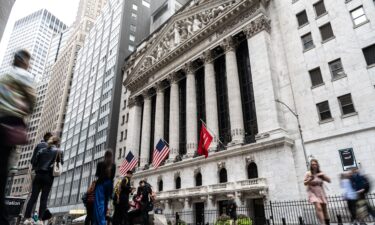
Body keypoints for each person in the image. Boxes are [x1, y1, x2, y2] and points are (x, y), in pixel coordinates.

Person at [0, 49, 36, 225]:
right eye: (29, 61)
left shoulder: (4, 75)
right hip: (11, 123)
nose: (30, 64)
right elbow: (32, 100)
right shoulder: (24, 75)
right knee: (3, 171)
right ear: (23, 61)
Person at [23, 136, 62, 225]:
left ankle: (27, 218)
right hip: (48, 177)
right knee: (44, 199)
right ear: (57, 143)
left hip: (39, 175)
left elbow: (34, 162)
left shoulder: (41, 151)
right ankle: (40, 220)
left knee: (33, 197)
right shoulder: (58, 152)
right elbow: (60, 164)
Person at [304, 159, 331, 225]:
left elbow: (329, 180)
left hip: (321, 192)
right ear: (311, 165)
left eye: (315, 164)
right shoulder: (308, 173)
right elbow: (305, 183)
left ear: (317, 165)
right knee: (318, 208)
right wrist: (310, 179)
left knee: (324, 210)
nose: (314, 166)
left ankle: (327, 223)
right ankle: (322, 223)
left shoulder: (320, 172)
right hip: (312, 191)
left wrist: (323, 175)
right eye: (312, 164)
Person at [93, 150, 116, 225]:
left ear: (105, 156)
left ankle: (101, 222)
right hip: (109, 185)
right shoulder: (113, 165)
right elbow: (112, 177)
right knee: (105, 203)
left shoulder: (100, 164)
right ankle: (102, 221)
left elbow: (97, 175)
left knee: (99, 204)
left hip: (101, 184)